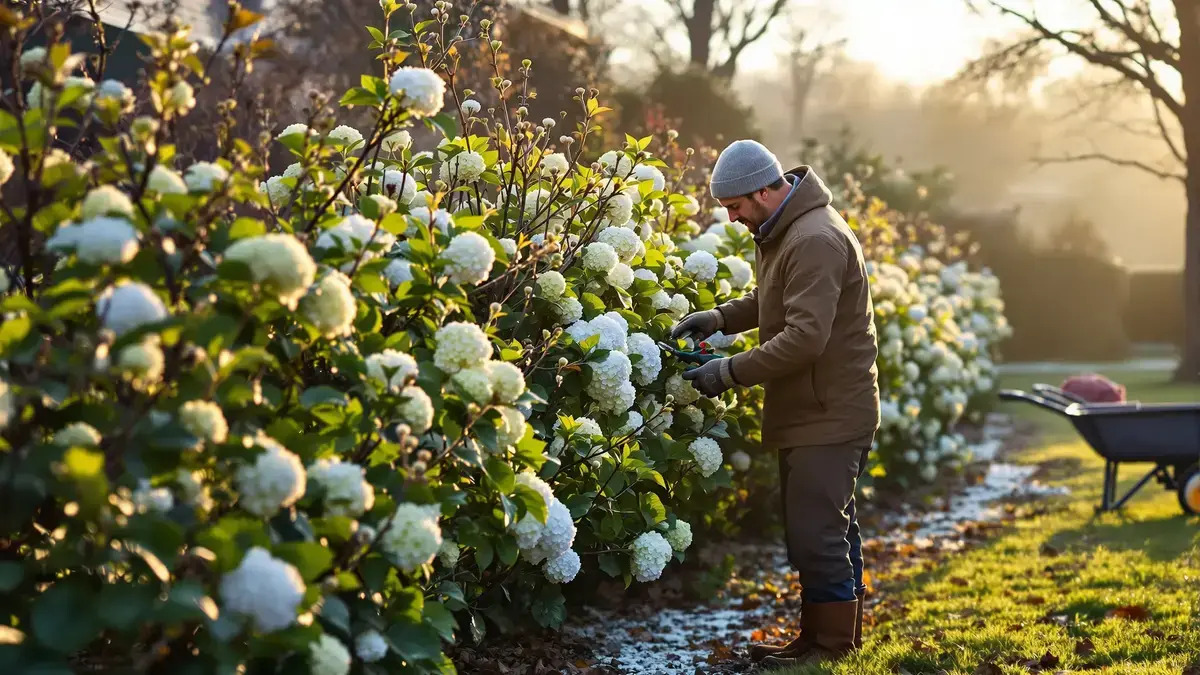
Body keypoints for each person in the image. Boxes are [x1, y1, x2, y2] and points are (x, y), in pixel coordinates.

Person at [670, 139, 881, 666]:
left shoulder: (814, 238)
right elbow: (777, 299)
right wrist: (720, 318)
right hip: (816, 408)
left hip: (829, 412)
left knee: (818, 533)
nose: (732, 217)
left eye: (734, 206)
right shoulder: (788, 229)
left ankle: (831, 648)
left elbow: (805, 338)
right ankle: (823, 640)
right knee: (825, 530)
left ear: (763, 191)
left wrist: (727, 371)